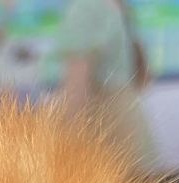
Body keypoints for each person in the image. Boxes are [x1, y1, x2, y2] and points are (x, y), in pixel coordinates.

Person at [55, 0, 157, 169]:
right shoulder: (116, 6)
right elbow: (144, 78)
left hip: (106, 131)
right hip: (131, 123)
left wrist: (63, 146)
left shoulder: (86, 8)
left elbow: (77, 91)